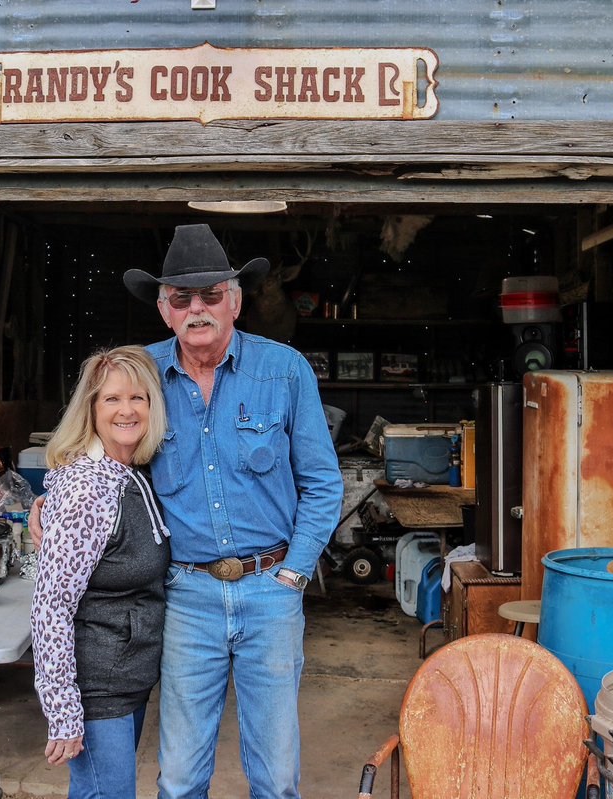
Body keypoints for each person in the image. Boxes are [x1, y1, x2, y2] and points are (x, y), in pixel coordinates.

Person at [130, 224, 343, 798]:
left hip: (270, 588)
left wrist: (294, 572)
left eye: (211, 295)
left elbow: (324, 483)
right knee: (178, 776)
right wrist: (57, 493)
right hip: (185, 594)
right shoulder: (136, 375)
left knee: (275, 776)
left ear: (236, 301)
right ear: (164, 309)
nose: (196, 308)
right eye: (182, 298)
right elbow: (96, 458)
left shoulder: (285, 370)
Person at [31, 345, 172, 799]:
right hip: (96, 686)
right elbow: (50, 606)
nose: (127, 410)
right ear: (90, 409)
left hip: (125, 676)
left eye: (139, 398)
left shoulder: (129, 473)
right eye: (111, 399)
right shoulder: (87, 485)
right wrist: (64, 712)